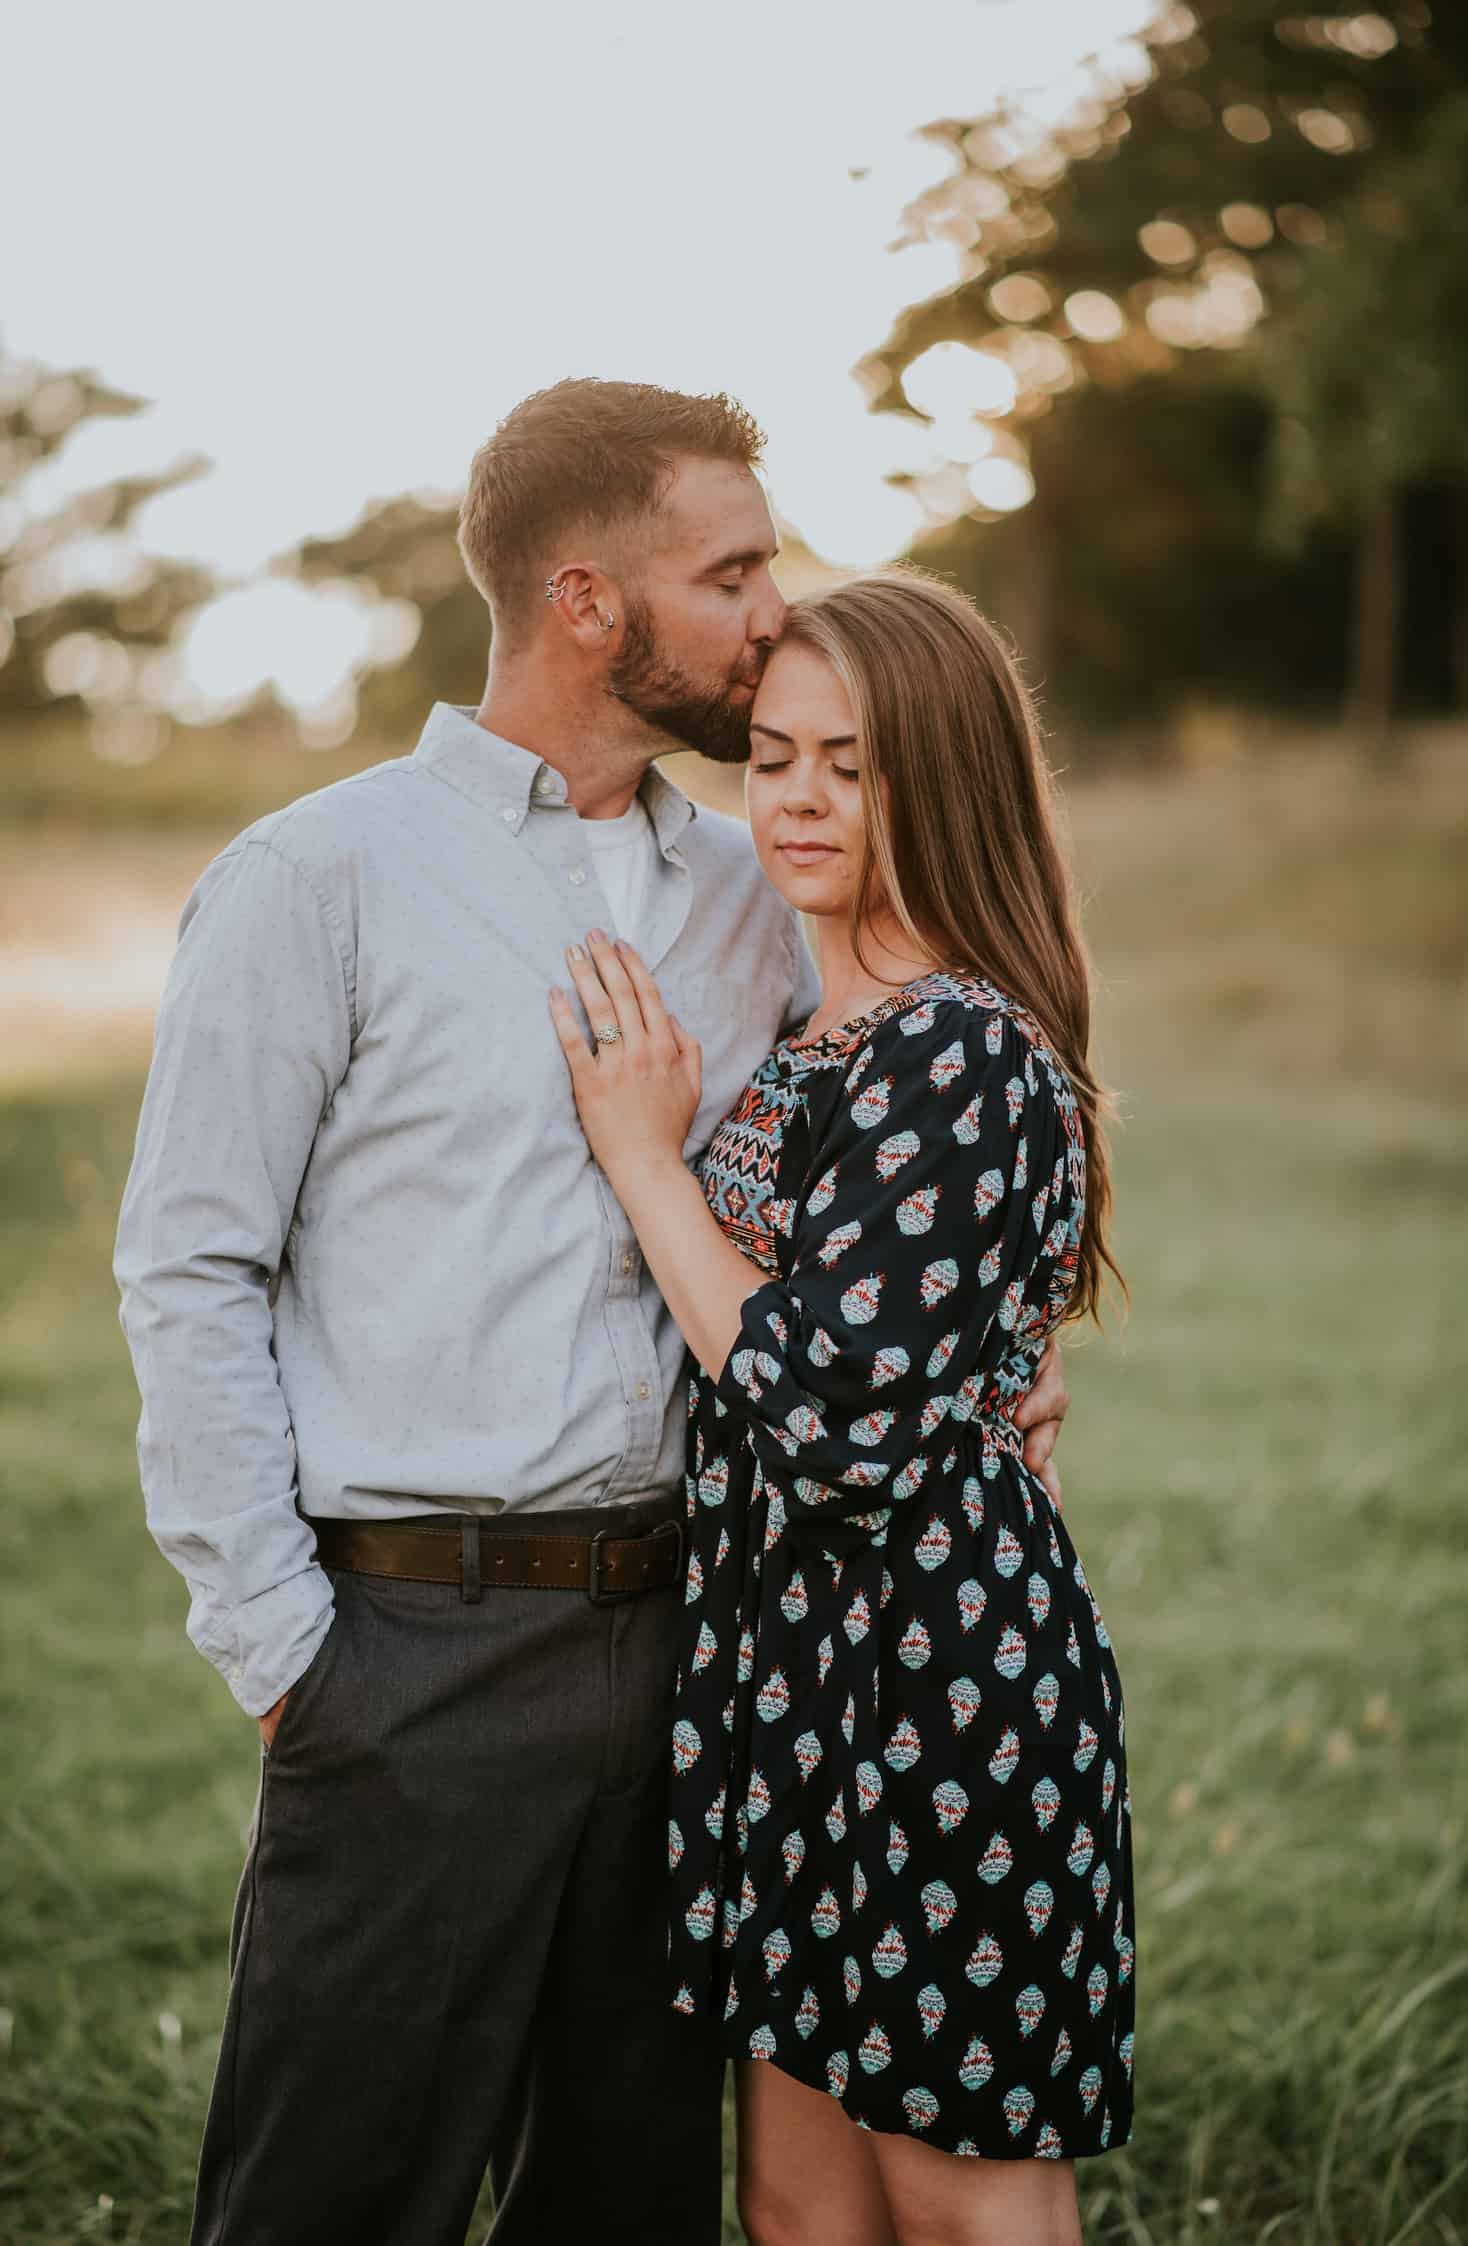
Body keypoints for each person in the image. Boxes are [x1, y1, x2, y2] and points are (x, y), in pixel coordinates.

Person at [113, 380, 1071, 2246]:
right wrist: (287, 1649)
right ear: (587, 602)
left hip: (712, 1651)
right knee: (335, 2196)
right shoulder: (320, 879)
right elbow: (191, 1264)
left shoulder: (755, 886)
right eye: (730, 573)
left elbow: (912, 1149)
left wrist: (1008, 1366)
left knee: (630, 2200)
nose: (771, 610)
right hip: (410, 1647)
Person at [551, 567, 1130, 2246]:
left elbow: (820, 1411)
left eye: (852, 764)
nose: (797, 798)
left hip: (939, 1687)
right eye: (775, 756)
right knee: (803, 2209)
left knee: (961, 2205)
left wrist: (645, 1158)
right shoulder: (824, 1030)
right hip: (785, 1673)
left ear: (938, 776)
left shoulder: (956, 1045)